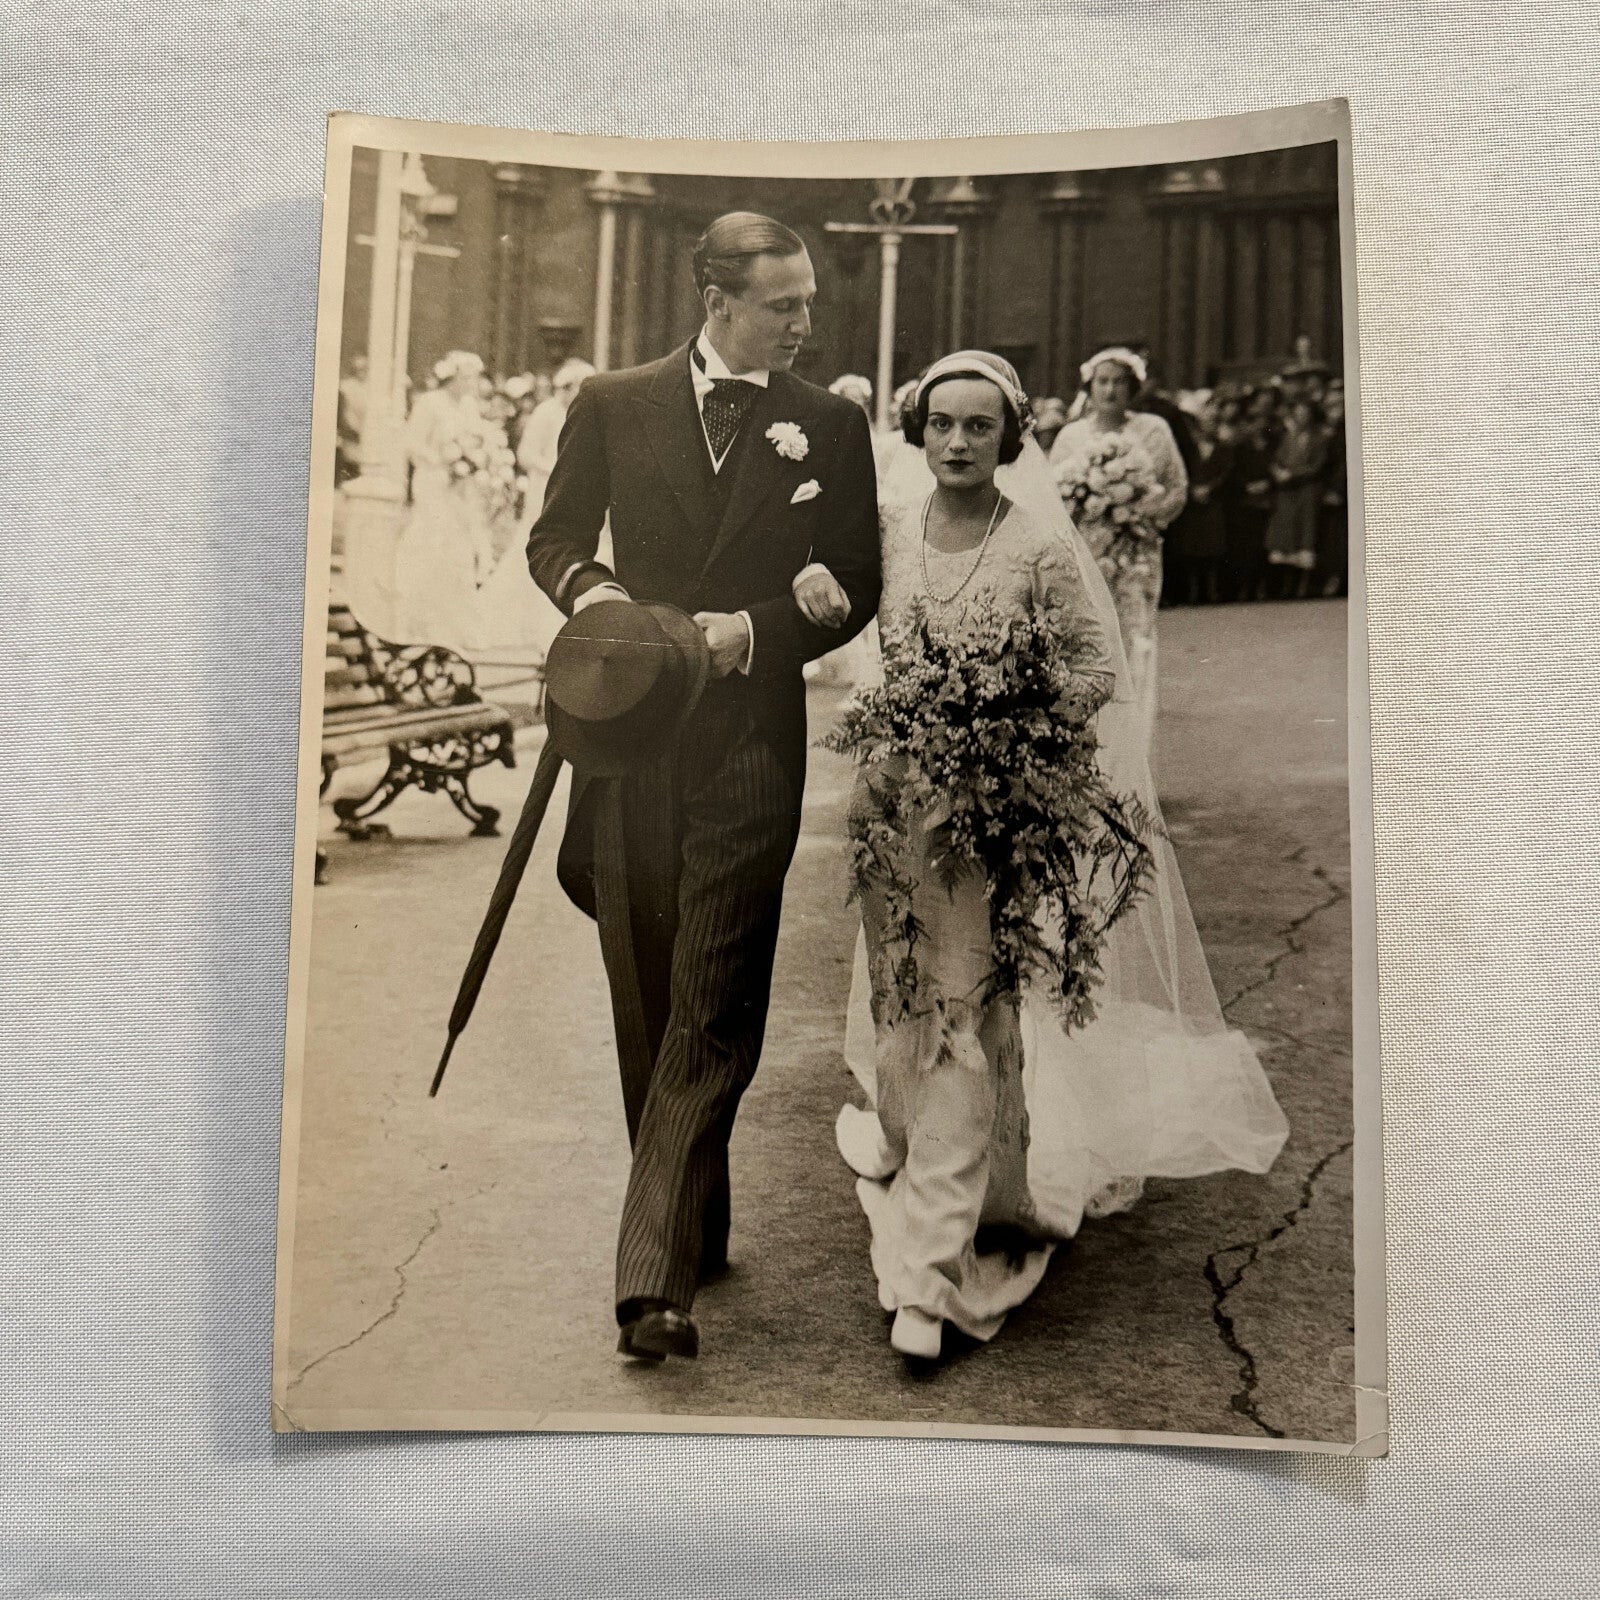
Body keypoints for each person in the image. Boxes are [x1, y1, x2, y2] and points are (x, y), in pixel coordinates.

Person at [822, 352, 1287, 1360]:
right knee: (904, 1009)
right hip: (894, 810)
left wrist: (1009, 730)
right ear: (918, 430)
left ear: (1010, 438)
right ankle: (950, 1168)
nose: (954, 441)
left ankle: (928, 1270)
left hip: (991, 819)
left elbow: (1090, 668)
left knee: (963, 1021)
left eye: (976, 427)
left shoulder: (1034, 546)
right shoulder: (890, 536)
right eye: (939, 423)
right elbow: (840, 628)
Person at [525, 211, 882, 1363]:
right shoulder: (614, 401)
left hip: (747, 747)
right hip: (626, 746)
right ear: (718, 300)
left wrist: (752, 631)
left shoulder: (826, 421)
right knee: (647, 995)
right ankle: (694, 1215)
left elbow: (857, 578)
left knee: (711, 994)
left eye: (808, 303)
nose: (806, 322)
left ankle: (650, 1285)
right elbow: (556, 536)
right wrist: (595, 600)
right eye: (785, 305)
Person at [1048, 346, 1188, 748]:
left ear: (1134, 387)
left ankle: (1132, 751)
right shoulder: (1071, 436)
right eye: (1102, 382)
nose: (1110, 390)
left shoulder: (1153, 430)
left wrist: (1141, 514)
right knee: (1087, 643)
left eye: (1119, 382)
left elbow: (1176, 488)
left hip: (1135, 553)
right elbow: (1053, 497)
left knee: (1133, 639)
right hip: (1085, 552)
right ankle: (1088, 750)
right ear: (1089, 387)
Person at [392, 350, 498, 651]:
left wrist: (475, 459)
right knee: (431, 542)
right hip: (432, 481)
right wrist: (441, 460)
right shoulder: (430, 403)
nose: (470, 384)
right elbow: (412, 442)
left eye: (473, 378)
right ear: (451, 377)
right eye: (465, 377)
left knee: (459, 547)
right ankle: (419, 622)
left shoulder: (468, 406)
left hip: (459, 486)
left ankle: (455, 625)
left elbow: (477, 439)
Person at [1264, 396, 1331, 598]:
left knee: (1305, 534)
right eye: (1298, 414)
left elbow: (1318, 465)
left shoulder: (1319, 438)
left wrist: (1293, 474)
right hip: (1286, 492)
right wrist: (1277, 471)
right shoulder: (1288, 437)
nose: (1302, 418)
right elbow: (1276, 459)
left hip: (1306, 490)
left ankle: (1302, 588)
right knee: (1285, 535)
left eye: (1305, 414)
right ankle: (1283, 587)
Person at [517, 358, 597, 521]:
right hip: (546, 486)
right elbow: (525, 455)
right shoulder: (545, 412)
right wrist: (554, 469)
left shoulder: (586, 414)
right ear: (567, 387)